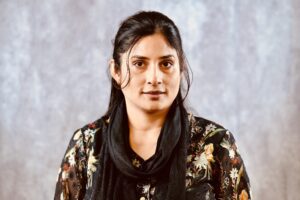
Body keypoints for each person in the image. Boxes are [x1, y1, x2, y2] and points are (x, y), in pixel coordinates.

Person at [54, 11, 251, 200]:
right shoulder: (86, 144)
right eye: (139, 64)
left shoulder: (215, 144)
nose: (155, 78)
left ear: (181, 67)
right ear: (116, 71)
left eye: (166, 64)